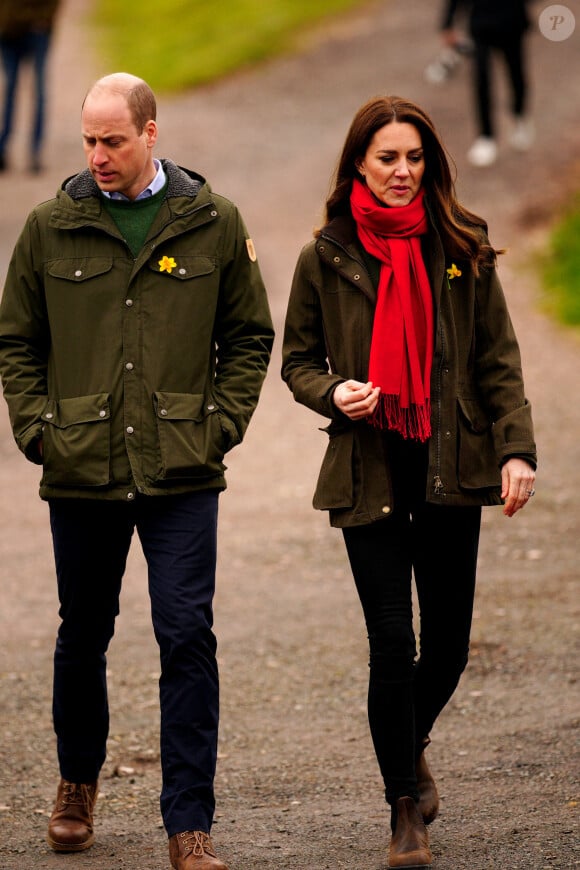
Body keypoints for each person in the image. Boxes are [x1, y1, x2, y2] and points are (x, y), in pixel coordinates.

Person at [0, 72, 274, 870]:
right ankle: (76, 783)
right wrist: (39, 430)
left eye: (113, 140)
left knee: (186, 635)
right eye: (88, 141)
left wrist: (218, 426)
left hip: (181, 470)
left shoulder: (212, 222)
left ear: (152, 133)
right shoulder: (51, 225)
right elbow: (17, 341)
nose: (98, 156)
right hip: (81, 467)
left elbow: (249, 336)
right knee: (82, 634)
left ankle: (189, 824)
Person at [281, 95, 536, 868]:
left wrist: (516, 450)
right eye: (388, 158)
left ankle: (406, 738)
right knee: (393, 645)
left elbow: (497, 356)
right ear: (359, 161)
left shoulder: (460, 244)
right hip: (371, 472)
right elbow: (297, 359)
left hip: (452, 466)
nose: (402, 172)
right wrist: (334, 392)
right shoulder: (325, 254)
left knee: (450, 647)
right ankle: (404, 813)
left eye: (415, 158)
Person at [441, 0, 533, 167]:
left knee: (516, 74)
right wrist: (448, 23)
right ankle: (486, 136)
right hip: (481, 25)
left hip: (512, 22)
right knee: (481, 79)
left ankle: (519, 115)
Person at [0, 0, 60, 172]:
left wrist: (43, 19)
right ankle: (3, 147)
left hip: (35, 30)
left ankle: (35, 150)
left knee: (38, 90)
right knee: (10, 90)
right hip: (7, 30)